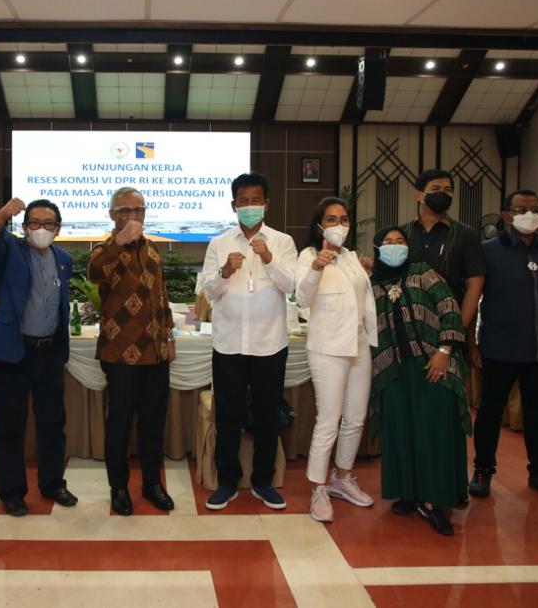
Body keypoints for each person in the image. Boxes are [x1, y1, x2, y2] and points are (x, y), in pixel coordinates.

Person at [199, 172, 296, 511]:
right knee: (228, 415)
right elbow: (208, 291)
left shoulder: (282, 242)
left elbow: (291, 285)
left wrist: (269, 259)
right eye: (243, 201)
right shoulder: (219, 243)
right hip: (229, 344)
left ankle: (263, 481)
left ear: (266, 204)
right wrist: (224, 272)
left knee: (268, 415)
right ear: (233, 205)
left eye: (256, 200)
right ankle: (227, 481)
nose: (250, 206)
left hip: (270, 344)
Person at [469, 190, 538, 502]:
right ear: (506, 215)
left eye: (535, 209)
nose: (530, 214)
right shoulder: (488, 250)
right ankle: (483, 469)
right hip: (500, 348)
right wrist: (471, 344)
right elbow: (472, 298)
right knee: (490, 412)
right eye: (522, 209)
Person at [369, 227, 470, 536]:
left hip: (431, 364)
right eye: (387, 242)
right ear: (377, 249)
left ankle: (434, 500)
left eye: (400, 241)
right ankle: (408, 492)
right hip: (394, 370)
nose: (394, 246)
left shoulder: (423, 272)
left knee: (433, 432)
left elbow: (450, 309)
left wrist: (444, 351)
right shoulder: (373, 283)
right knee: (401, 431)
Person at [0, 197, 77, 517]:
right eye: (34, 223)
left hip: (49, 353)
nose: (41, 229)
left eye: (48, 224)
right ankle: (12, 492)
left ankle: (53, 483)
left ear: (58, 229)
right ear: (24, 228)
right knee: (10, 427)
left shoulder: (63, 259)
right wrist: (1, 216)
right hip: (12, 353)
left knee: (52, 423)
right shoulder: (11, 251)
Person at [88, 186, 175, 516]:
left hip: (155, 354)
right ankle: (119, 488)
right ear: (112, 215)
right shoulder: (103, 250)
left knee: (153, 425)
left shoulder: (153, 250)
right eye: (125, 210)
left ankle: (152, 484)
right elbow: (94, 273)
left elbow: (162, 297)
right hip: (120, 355)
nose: (132, 216)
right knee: (120, 425)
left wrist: (169, 336)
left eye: (138, 210)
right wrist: (120, 242)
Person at [296, 197, 377, 523]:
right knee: (328, 420)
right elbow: (302, 298)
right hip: (327, 348)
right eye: (331, 219)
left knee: (355, 418)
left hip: (359, 345)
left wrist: (364, 273)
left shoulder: (350, 258)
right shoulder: (308, 256)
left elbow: (359, 297)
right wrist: (317, 268)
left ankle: (342, 478)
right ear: (319, 225)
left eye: (344, 219)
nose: (339, 225)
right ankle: (318, 488)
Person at [399, 169, 485, 330]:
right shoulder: (401, 234)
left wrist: (457, 330)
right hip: (406, 325)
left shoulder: (466, 235)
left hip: (448, 322)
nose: (443, 194)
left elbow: (474, 286)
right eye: (435, 189)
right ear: (419, 195)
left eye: (448, 190)